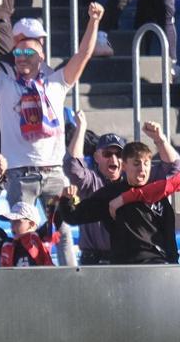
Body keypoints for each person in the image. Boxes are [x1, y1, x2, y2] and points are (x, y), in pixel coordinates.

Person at [0, 7, 104, 268]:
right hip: (19, 176)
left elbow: (83, 54)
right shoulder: (5, 86)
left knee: (63, 233)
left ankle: (68, 286)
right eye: (18, 52)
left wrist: (94, 21)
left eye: (28, 52)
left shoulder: (56, 83)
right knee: (20, 234)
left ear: (41, 56)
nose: (21, 57)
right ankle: (20, 283)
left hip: (54, 173)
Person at [64, 113, 180, 263]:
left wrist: (160, 139)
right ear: (96, 157)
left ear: (124, 161)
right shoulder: (93, 183)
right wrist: (80, 129)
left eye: (119, 154)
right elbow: (73, 168)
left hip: (151, 263)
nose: (113, 159)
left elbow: (175, 170)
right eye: (107, 154)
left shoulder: (148, 182)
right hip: (99, 260)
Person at [0, 202, 56, 267]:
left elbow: (52, 221)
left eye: (16, 222)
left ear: (31, 224)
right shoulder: (8, 245)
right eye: (11, 222)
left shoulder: (39, 239)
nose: (12, 226)